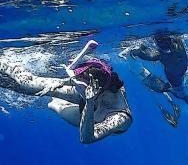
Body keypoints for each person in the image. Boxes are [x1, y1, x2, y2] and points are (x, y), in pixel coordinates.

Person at [0, 41, 132, 144]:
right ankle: (3, 64)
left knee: (54, 104)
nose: (76, 85)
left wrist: (90, 103)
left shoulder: (119, 118)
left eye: (79, 85)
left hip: (90, 119)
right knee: (32, 85)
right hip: (91, 97)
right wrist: (62, 82)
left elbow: (87, 138)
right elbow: (84, 79)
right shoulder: (104, 80)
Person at [121, 31, 188, 125]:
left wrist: (139, 49)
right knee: (176, 86)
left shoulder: (162, 56)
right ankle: (182, 96)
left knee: (168, 88)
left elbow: (142, 55)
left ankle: (182, 96)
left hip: (176, 79)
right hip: (179, 74)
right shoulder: (178, 48)